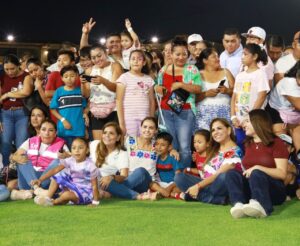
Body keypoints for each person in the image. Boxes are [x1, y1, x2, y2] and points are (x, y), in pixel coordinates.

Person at [226, 109, 288, 218]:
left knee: (257, 172)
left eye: (247, 121)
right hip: (252, 187)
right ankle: (238, 204)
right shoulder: (248, 143)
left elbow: (282, 173)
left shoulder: (276, 143)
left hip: (273, 190)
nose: (243, 124)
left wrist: (257, 167)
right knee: (232, 173)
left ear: (258, 122)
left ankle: (263, 206)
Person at [155, 37, 202, 167]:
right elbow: (157, 86)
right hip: (165, 111)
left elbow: (198, 88)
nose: (181, 57)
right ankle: (173, 175)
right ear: (171, 54)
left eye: (184, 54)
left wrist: (181, 84)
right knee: (170, 145)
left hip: (185, 111)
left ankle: (183, 175)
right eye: (178, 54)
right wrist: (157, 88)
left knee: (185, 146)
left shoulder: (192, 69)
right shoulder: (164, 69)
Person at [174, 118, 243, 204]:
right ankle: (217, 200)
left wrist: (198, 186)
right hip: (205, 184)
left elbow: (217, 175)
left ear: (229, 130)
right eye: (213, 130)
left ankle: (198, 196)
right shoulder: (214, 149)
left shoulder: (235, 151)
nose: (215, 132)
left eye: (219, 128)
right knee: (179, 178)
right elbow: (204, 173)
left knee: (223, 176)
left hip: (219, 185)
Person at [90, 122, 160, 200]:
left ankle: (112, 193)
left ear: (118, 137)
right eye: (105, 133)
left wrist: (111, 177)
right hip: (89, 181)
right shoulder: (94, 144)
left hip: (106, 184)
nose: (107, 135)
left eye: (111, 133)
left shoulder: (121, 154)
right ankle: (139, 196)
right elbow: (79, 150)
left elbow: (123, 176)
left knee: (140, 172)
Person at [10, 119, 69, 200]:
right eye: (43, 129)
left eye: (51, 130)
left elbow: (70, 159)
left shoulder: (61, 144)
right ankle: (36, 189)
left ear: (55, 133)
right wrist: (14, 157)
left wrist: (66, 155)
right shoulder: (31, 141)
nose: (46, 133)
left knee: (59, 162)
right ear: (39, 131)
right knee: (21, 157)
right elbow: (15, 156)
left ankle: (29, 192)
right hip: (29, 180)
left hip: (47, 181)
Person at [32, 138, 100, 206]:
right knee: (58, 175)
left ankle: (53, 203)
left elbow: (94, 186)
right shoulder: (71, 160)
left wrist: (95, 202)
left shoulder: (91, 165)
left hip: (85, 193)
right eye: (74, 148)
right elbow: (55, 170)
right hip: (74, 187)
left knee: (66, 195)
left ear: (87, 150)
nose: (77, 150)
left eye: (80, 148)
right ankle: (48, 198)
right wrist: (40, 180)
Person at [231, 43, 270, 149]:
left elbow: (262, 96)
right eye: (242, 54)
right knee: (241, 144)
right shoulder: (240, 75)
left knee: (254, 145)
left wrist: (249, 118)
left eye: (245, 54)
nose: (242, 57)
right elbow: (234, 97)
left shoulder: (260, 74)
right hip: (239, 121)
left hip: (254, 121)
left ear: (255, 56)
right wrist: (233, 116)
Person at [81, 44, 123, 140]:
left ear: (106, 53)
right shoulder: (89, 70)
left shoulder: (115, 66)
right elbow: (86, 94)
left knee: (113, 142)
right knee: (98, 144)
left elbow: (117, 89)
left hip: (114, 110)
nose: (97, 59)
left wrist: (104, 81)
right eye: (93, 57)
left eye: (99, 56)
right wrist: (82, 84)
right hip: (96, 111)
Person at [0, 54, 33, 166]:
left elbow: (26, 92)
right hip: (6, 114)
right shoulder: (2, 76)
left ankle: (21, 172)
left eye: (12, 68)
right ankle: (6, 170)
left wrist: (7, 94)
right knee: (5, 143)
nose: (9, 72)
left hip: (22, 114)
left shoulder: (26, 76)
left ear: (19, 66)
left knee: (22, 144)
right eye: (6, 69)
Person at [116, 50, 155, 136]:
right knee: (131, 144)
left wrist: (151, 120)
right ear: (129, 61)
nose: (136, 61)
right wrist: (122, 124)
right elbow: (119, 101)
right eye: (133, 59)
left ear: (144, 62)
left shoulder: (149, 79)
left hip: (145, 117)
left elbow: (152, 101)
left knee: (145, 142)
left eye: (139, 59)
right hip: (129, 118)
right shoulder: (124, 78)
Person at [266, 61, 300, 159]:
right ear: (297, 75)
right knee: (283, 142)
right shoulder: (288, 82)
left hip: (295, 114)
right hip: (276, 112)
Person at [195, 48, 234, 130]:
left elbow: (236, 93)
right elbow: (192, 98)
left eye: (218, 56)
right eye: (214, 57)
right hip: (203, 116)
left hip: (224, 114)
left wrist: (227, 91)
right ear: (205, 60)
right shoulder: (198, 74)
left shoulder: (226, 72)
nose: (218, 59)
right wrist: (205, 94)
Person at [50, 65, 88, 147]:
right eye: (66, 76)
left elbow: (85, 107)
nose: (69, 79)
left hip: (79, 129)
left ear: (77, 76)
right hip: (63, 129)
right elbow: (53, 109)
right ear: (62, 78)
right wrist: (63, 120)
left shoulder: (80, 91)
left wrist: (85, 116)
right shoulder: (59, 91)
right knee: (65, 154)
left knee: (77, 153)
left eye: (72, 76)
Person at [150, 132, 183, 198]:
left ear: (169, 147)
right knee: (151, 184)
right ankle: (168, 194)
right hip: (162, 184)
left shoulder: (173, 157)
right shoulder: (155, 158)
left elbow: (179, 178)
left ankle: (165, 193)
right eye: (157, 144)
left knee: (178, 188)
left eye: (162, 145)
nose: (159, 147)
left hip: (173, 184)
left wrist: (168, 188)